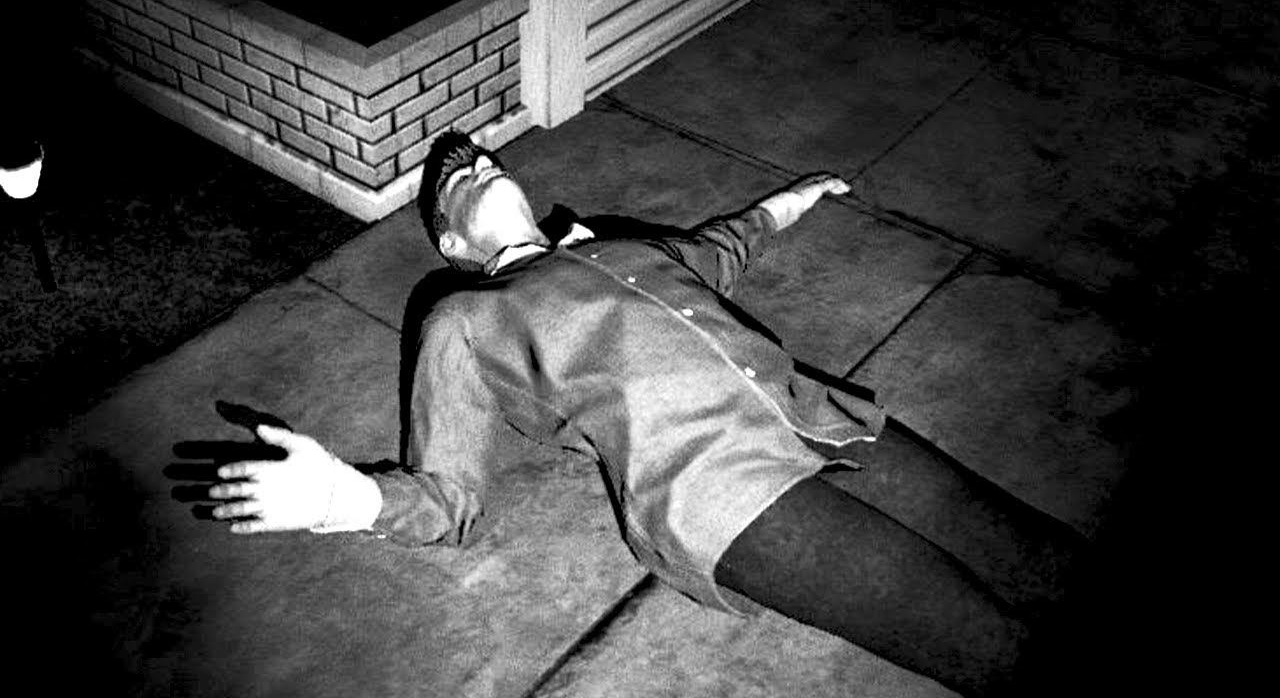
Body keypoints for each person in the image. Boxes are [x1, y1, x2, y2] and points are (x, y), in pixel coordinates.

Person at [200, 131, 1085, 697]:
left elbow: (719, 249)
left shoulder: (623, 244)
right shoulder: (465, 317)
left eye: (487, 158)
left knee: (1043, 555)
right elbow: (449, 497)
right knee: (987, 641)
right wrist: (345, 500)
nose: (483, 165)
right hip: (717, 493)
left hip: (822, 416)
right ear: (452, 243)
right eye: (460, 179)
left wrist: (790, 202)